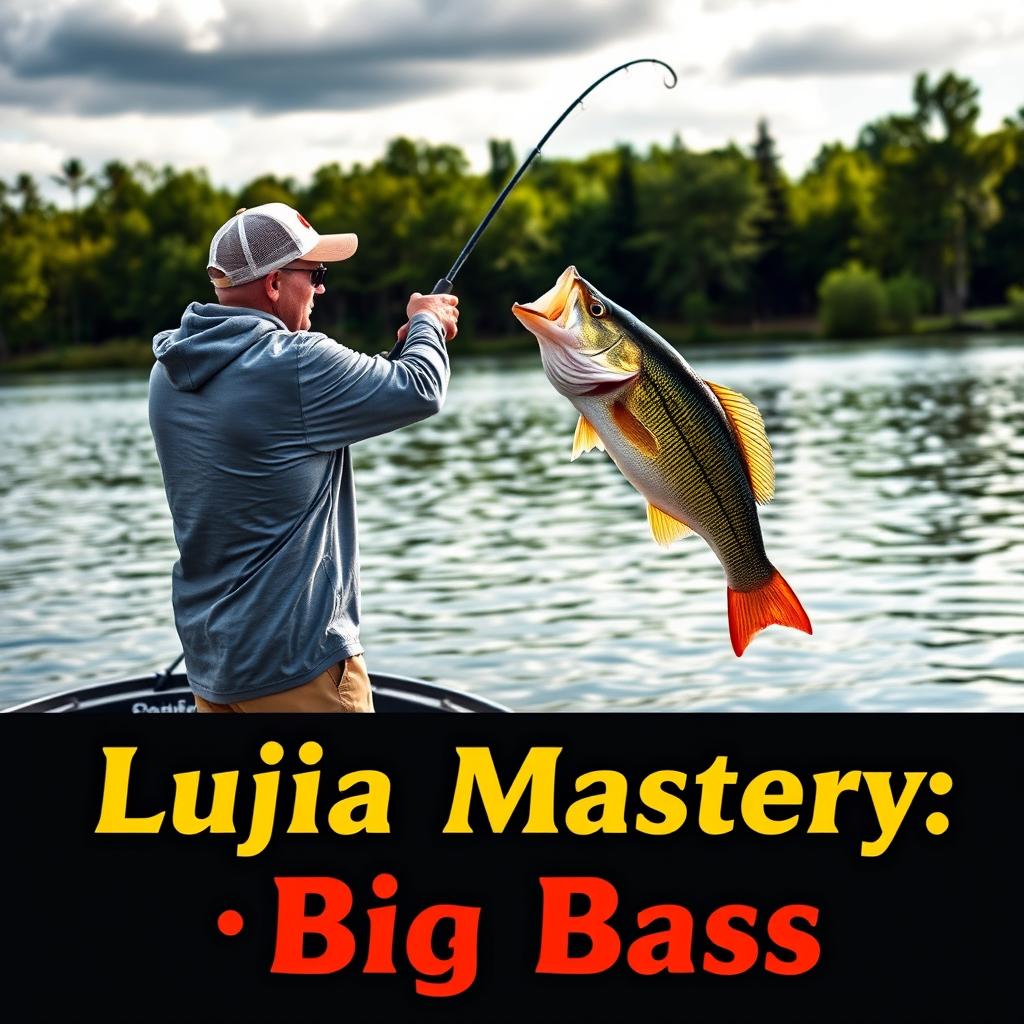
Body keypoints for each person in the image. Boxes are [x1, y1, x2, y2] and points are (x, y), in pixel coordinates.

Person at [148, 202, 459, 712]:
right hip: (299, 668)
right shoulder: (295, 362)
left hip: (216, 670)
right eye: (314, 273)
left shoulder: (169, 372)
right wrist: (426, 323)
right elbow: (421, 387)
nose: (320, 288)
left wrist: (380, 365)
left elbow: (280, 412)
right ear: (273, 284)